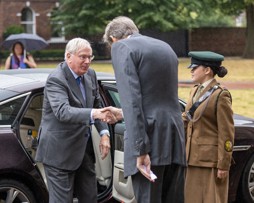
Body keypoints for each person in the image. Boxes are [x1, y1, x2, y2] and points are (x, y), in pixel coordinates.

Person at [103, 16, 186, 203]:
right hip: (175, 137)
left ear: (114, 39)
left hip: (149, 142)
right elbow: (157, 98)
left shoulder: (122, 47)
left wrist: (140, 150)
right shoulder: (165, 47)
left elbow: (132, 100)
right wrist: (121, 113)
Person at [35, 38, 112, 203]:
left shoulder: (90, 74)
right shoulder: (56, 79)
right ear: (68, 56)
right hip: (58, 153)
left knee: (90, 198)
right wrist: (94, 114)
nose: (87, 61)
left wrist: (104, 133)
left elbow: (97, 105)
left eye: (90, 57)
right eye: (82, 57)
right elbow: (63, 112)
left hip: (83, 151)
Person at [182, 51, 235, 203]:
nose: (191, 70)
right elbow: (187, 119)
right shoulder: (195, 90)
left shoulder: (220, 95)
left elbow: (227, 133)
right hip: (192, 157)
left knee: (211, 199)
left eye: (195, 67)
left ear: (207, 70)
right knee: (192, 198)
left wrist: (223, 164)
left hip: (210, 161)